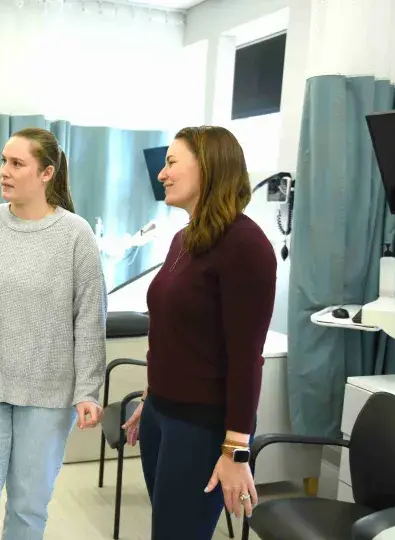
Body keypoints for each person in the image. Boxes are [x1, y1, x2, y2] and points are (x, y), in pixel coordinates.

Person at [0, 127, 108, 539]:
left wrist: (88, 390)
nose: (4, 172)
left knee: (28, 509)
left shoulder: (76, 235)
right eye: (3, 162)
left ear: (46, 173)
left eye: (16, 163)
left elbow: (89, 319)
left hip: (48, 397)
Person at [121, 126, 277, 539]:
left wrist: (236, 451)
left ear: (208, 167)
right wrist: (152, 395)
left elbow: (247, 359)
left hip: (203, 429)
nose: (162, 174)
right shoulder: (183, 239)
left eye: (171, 163)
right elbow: (173, 333)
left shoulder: (246, 245)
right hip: (161, 416)